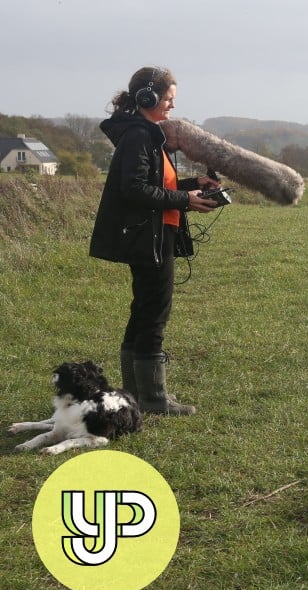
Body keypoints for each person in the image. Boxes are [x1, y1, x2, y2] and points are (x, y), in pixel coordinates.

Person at [90, 66, 219, 415]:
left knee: (144, 310)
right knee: (154, 314)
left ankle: (134, 396)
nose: (172, 107)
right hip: (149, 238)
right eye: (169, 99)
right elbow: (133, 189)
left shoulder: (144, 134)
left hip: (154, 233)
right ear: (147, 97)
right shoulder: (139, 136)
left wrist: (193, 185)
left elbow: (155, 184)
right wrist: (185, 200)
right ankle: (152, 399)